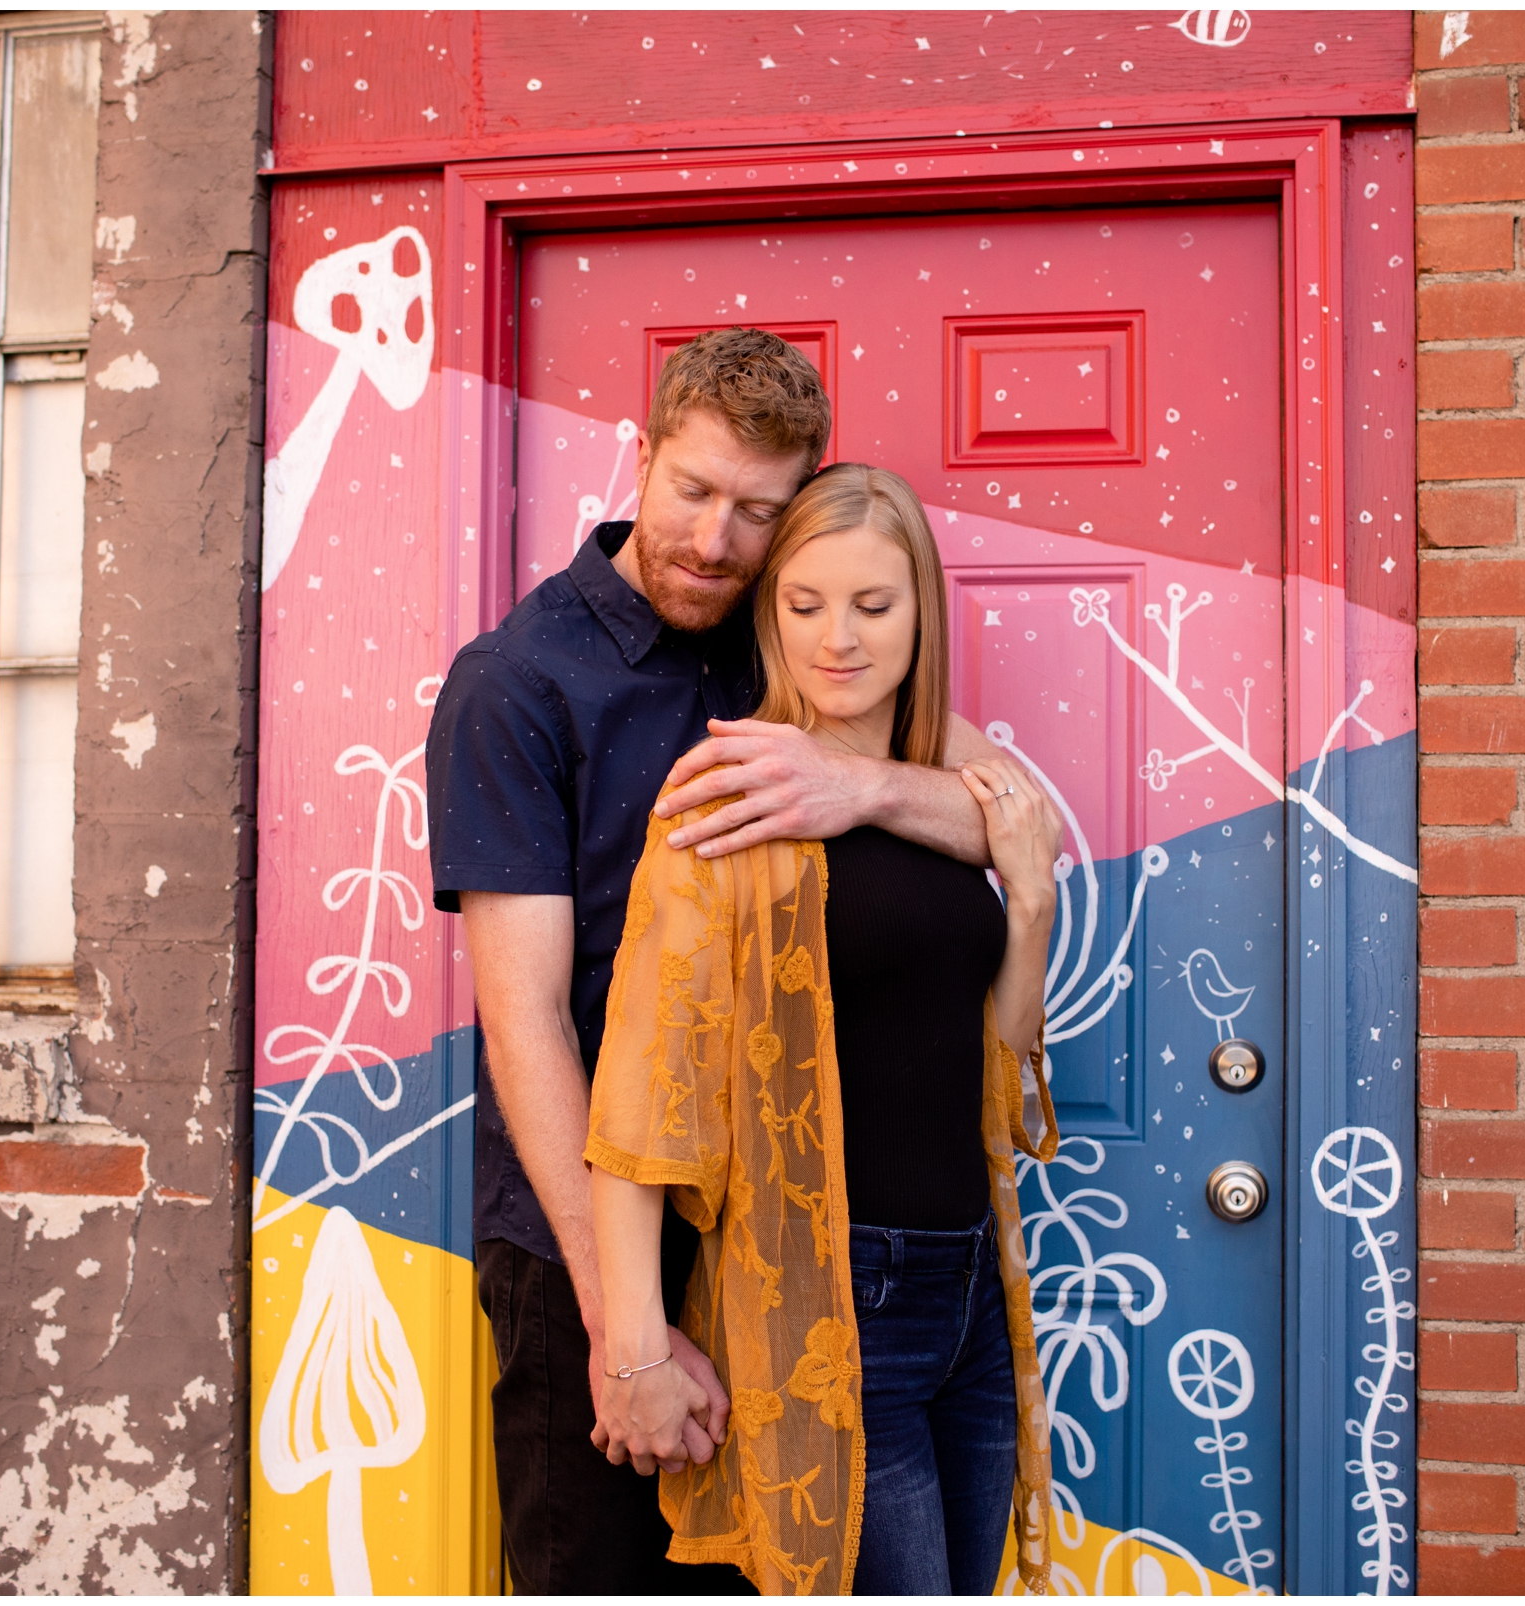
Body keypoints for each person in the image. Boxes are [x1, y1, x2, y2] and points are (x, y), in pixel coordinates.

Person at [426, 331, 1037, 1593]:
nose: (715, 540)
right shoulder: (519, 684)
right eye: (693, 492)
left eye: (757, 511)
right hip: (585, 1241)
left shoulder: (783, 628)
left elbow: (998, 807)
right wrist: (625, 1329)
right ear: (639, 458)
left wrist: (851, 783)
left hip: (782, 1234)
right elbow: (529, 1020)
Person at [584, 464, 1063, 1596]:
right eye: (804, 605)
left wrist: (1030, 909)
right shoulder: (728, 795)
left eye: (873, 605)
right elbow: (643, 1097)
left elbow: (996, 1069)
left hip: (972, 1301)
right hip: (833, 1294)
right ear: (769, 611)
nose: (836, 638)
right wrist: (637, 1346)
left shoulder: (949, 781)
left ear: (921, 613)